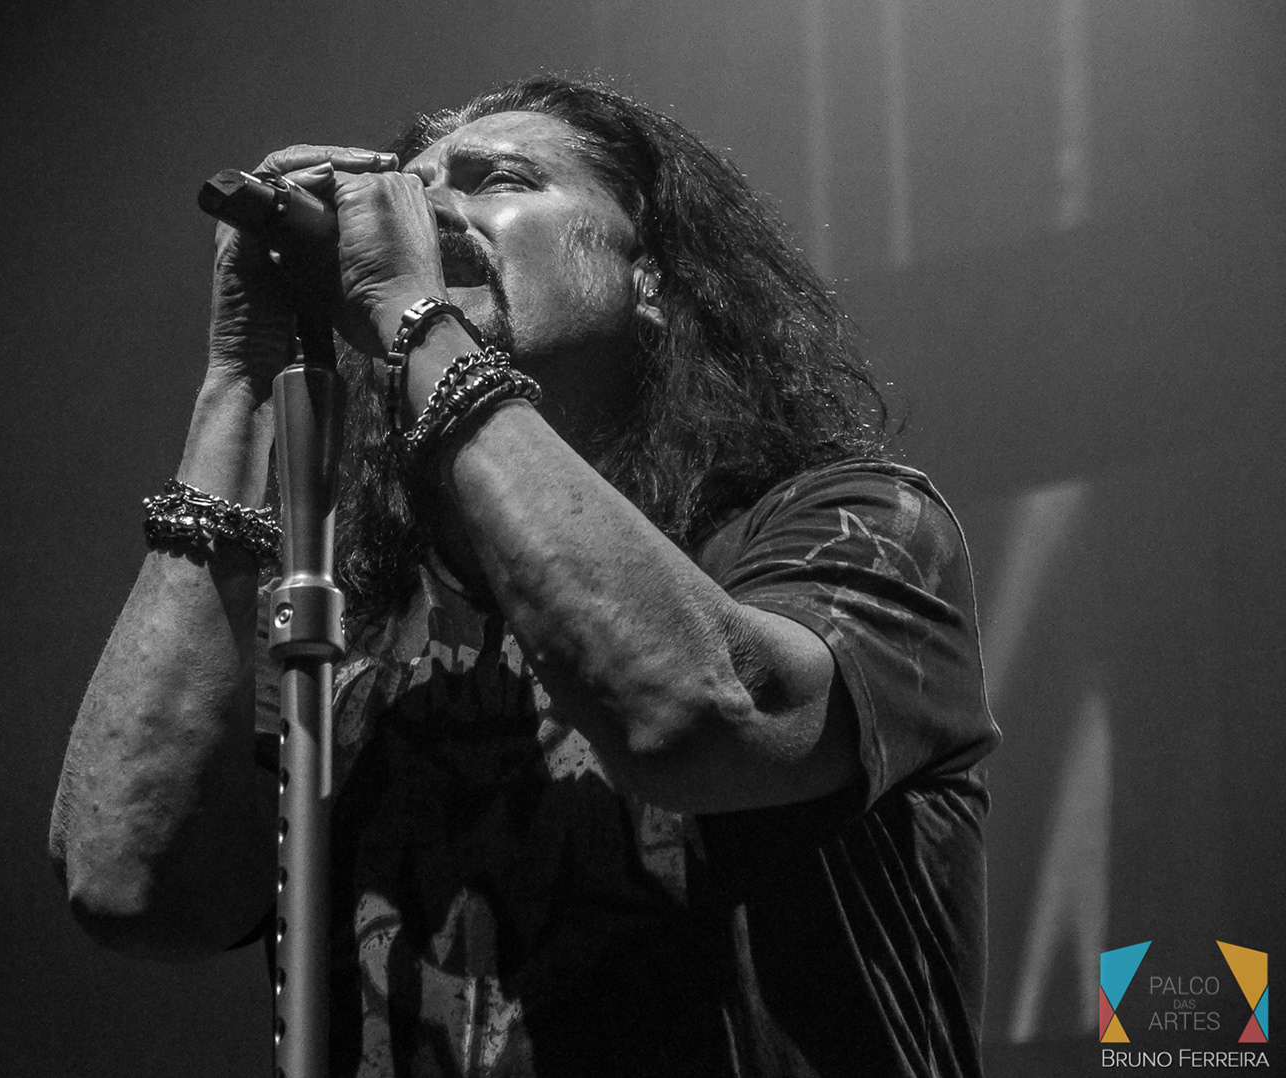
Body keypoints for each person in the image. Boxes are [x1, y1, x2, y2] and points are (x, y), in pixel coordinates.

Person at [49, 74, 1000, 1077]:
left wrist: (417, 316)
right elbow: (130, 885)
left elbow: (693, 717)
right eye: (414, 189)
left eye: (498, 178)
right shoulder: (341, 618)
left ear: (651, 283)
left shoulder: (854, 526)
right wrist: (240, 372)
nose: (427, 212)